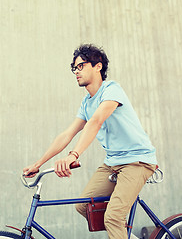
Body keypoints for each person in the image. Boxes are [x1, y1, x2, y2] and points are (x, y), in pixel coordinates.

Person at [23, 44, 157, 239]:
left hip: (137, 161)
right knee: (84, 206)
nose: (76, 72)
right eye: (74, 68)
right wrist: (38, 164)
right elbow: (67, 134)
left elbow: (96, 121)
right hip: (113, 163)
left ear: (98, 66)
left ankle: (117, 225)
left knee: (112, 217)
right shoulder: (87, 102)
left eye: (81, 66)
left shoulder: (111, 90)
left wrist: (73, 155)